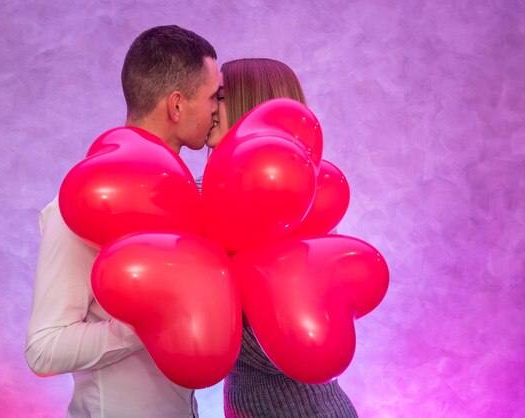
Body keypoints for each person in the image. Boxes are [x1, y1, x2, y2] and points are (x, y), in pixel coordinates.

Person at [25, 25, 220, 418]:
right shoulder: (82, 204)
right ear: (177, 106)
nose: (218, 107)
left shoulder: (184, 199)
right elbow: (43, 348)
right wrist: (149, 324)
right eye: (213, 96)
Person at [206, 58, 358, 418]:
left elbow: (292, 346)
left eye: (221, 97)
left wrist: (205, 330)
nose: (209, 107)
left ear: (250, 106)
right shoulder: (226, 197)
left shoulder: (288, 209)